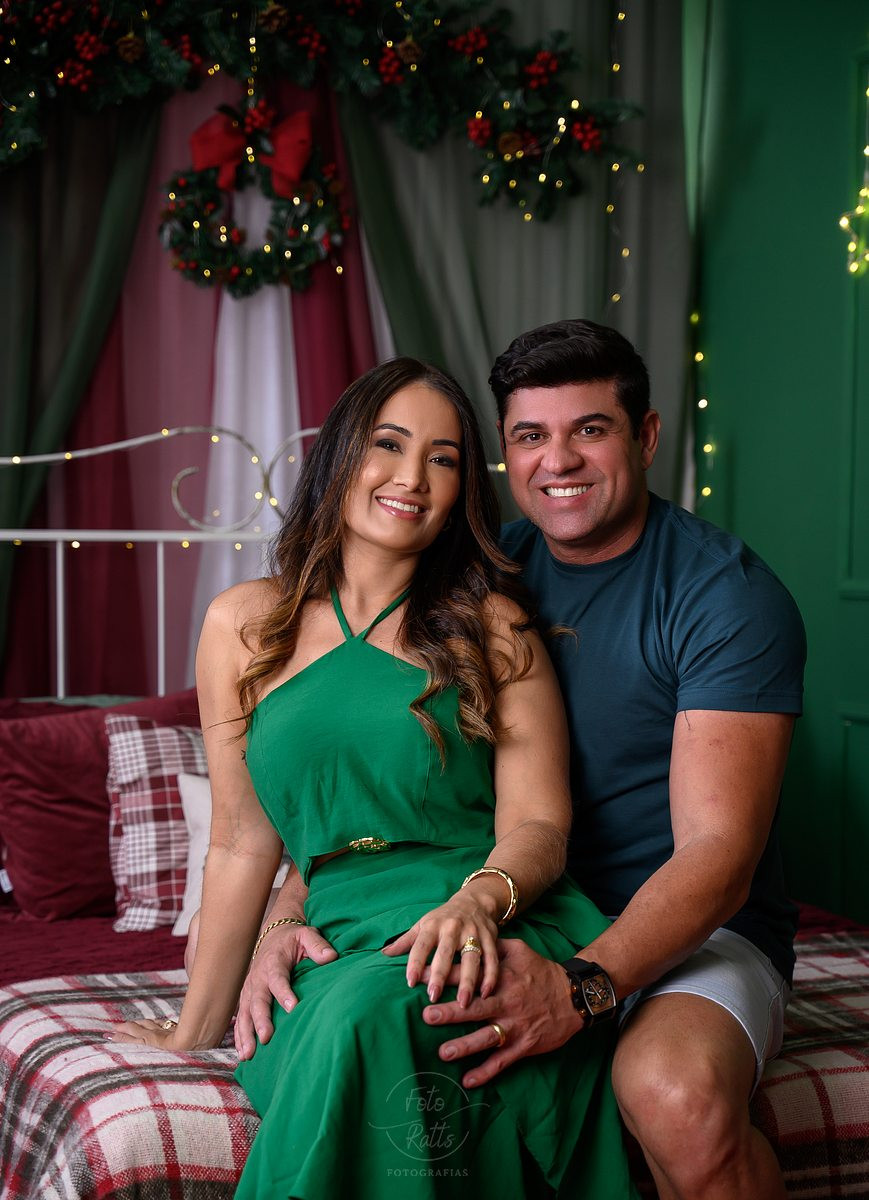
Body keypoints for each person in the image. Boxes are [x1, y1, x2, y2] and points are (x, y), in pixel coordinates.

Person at [245, 322, 806, 1200]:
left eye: (590, 429)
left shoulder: (721, 596)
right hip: (510, 912)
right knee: (388, 1044)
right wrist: (283, 920)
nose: (558, 461)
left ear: (645, 436)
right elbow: (369, 800)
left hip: (685, 937)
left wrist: (581, 989)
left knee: (672, 1098)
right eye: (530, 436)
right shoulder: (475, 578)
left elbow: (718, 858)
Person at [110, 358, 637, 1199]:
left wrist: (477, 901)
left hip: (478, 913)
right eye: (388, 445)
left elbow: (538, 824)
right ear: (341, 456)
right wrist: (195, 1026)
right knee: (340, 1013)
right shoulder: (242, 624)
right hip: (335, 928)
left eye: (442, 458)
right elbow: (242, 842)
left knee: (371, 1015)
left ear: (461, 490)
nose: (411, 477)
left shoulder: (494, 628)